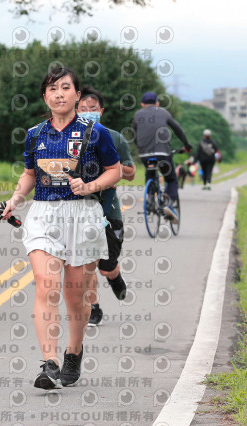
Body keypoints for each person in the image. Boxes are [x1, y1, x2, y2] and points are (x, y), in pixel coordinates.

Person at [2, 66, 121, 390]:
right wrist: (15, 199)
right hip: (44, 215)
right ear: (45, 96)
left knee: (75, 297)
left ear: (77, 95)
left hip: (83, 217)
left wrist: (90, 185)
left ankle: (74, 351)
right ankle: (50, 363)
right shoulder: (35, 134)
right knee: (47, 285)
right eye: (52, 88)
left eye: (65, 88)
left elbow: (115, 170)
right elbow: (29, 173)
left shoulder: (95, 132)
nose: (59, 94)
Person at [76, 86, 136, 326]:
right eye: (82, 109)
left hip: (108, 212)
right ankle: (93, 307)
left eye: (92, 109)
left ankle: (114, 275)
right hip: (78, 211)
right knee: (86, 264)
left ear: (101, 111)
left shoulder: (114, 138)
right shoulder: (69, 138)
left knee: (106, 267)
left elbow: (131, 173)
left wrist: (110, 168)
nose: (88, 113)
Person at [132, 92, 192, 223]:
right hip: (163, 154)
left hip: (144, 154)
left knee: (150, 173)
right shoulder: (164, 112)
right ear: (157, 103)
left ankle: (150, 198)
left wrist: (140, 147)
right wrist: (187, 145)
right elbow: (177, 129)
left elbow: (134, 134)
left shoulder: (137, 115)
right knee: (171, 179)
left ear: (142, 104)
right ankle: (168, 204)